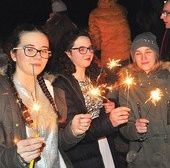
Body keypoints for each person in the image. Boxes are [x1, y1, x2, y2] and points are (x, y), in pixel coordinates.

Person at [0, 24, 92, 168]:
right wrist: (17, 156)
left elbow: (54, 144)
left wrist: (72, 131)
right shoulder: (3, 94)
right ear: (13, 54)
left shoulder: (49, 88)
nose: (38, 56)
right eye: (30, 50)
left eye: (43, 51)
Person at [52, 28, 130, 168]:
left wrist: (111, 106)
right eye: (81, 49)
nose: (88, 53)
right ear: (68, 53)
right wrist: (109, 120)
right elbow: (72, 133)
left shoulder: (95, 78)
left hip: (105, 145)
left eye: (90, 48)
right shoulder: (61, 85)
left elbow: (100, 110)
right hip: (84, 155)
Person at [118, 32, 170, 167]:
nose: (144, 57)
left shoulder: (168, 80)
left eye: (148, 51)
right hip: (144, 158)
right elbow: (124, 127)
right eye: (138, 53)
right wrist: (135, 129)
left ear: (156, 54)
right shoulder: (127, 87)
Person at [88, 0, 131, 66]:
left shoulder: (94, 14)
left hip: (109, 57)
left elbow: (96, 40)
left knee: (112, 76)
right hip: (126, 54)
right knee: (127, 75)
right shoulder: (121, 9)